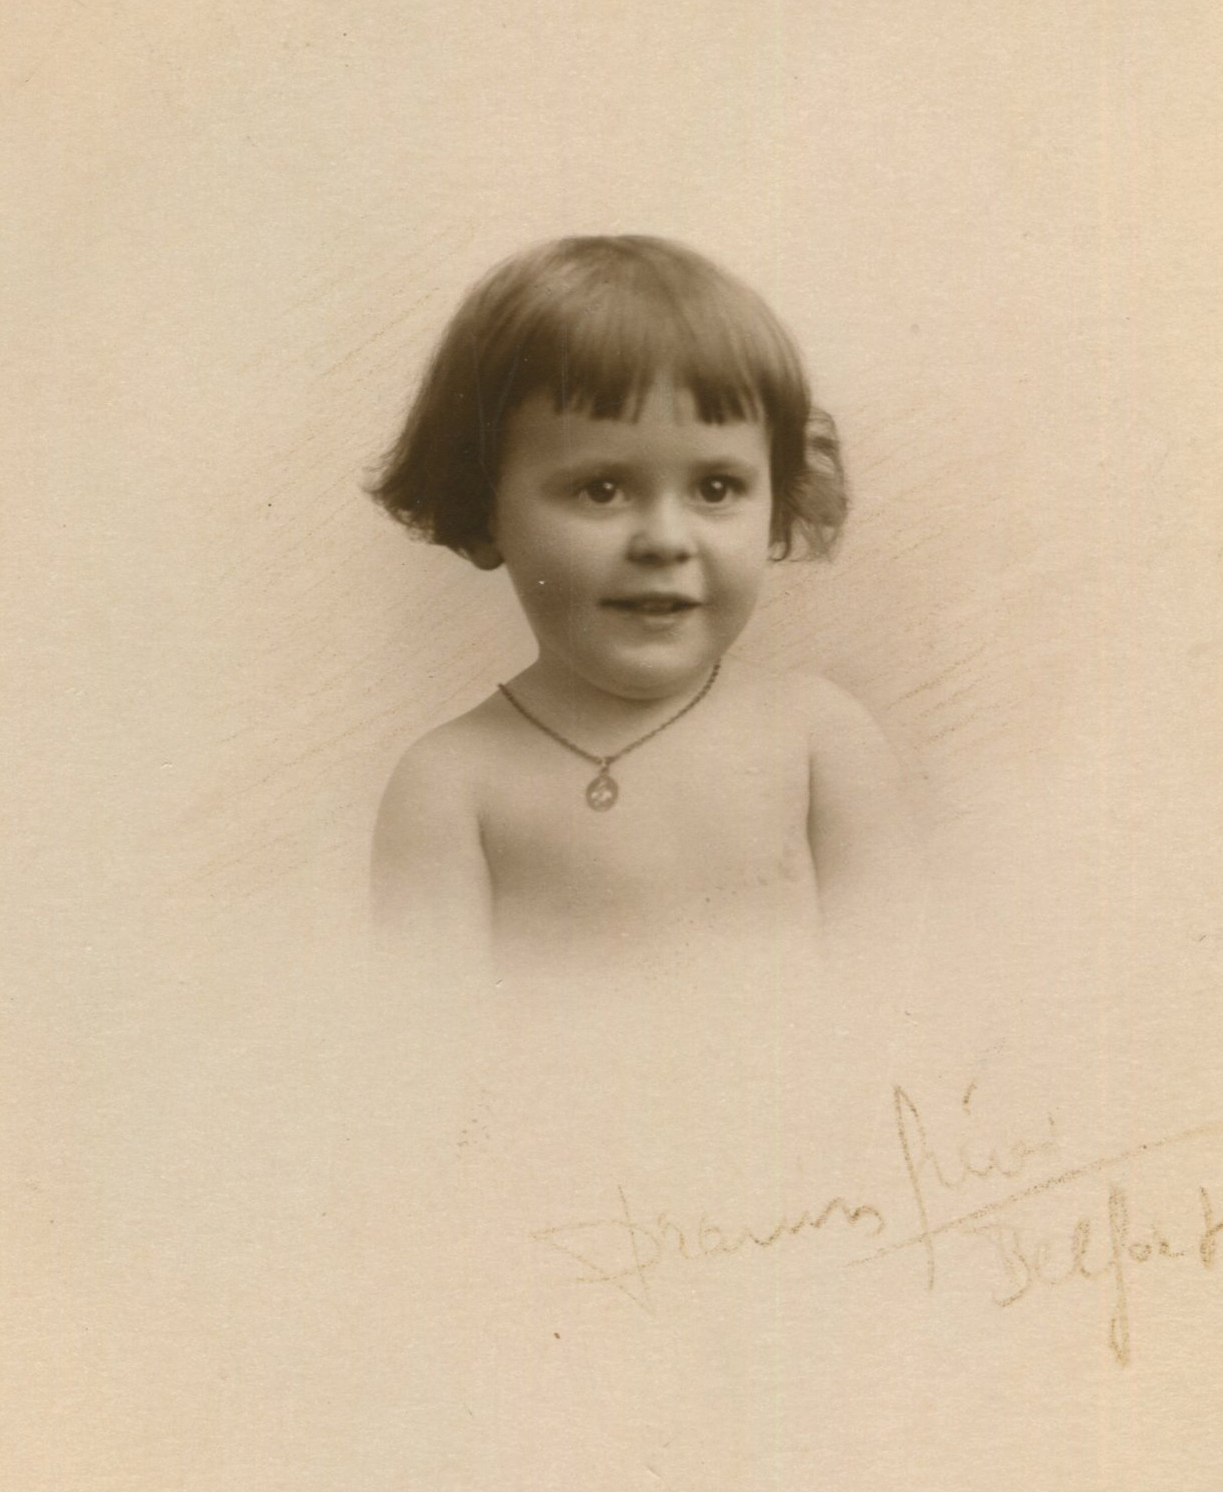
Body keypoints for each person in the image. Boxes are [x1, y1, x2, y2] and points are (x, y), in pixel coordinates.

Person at [367, 234, 913, 974]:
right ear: (485, 509)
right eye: (601, 489)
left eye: (715, 488)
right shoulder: (451, 783)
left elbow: (897, 1004)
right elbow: (421, 1034)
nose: (664, 541)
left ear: (777, 502)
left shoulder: (820, 738)